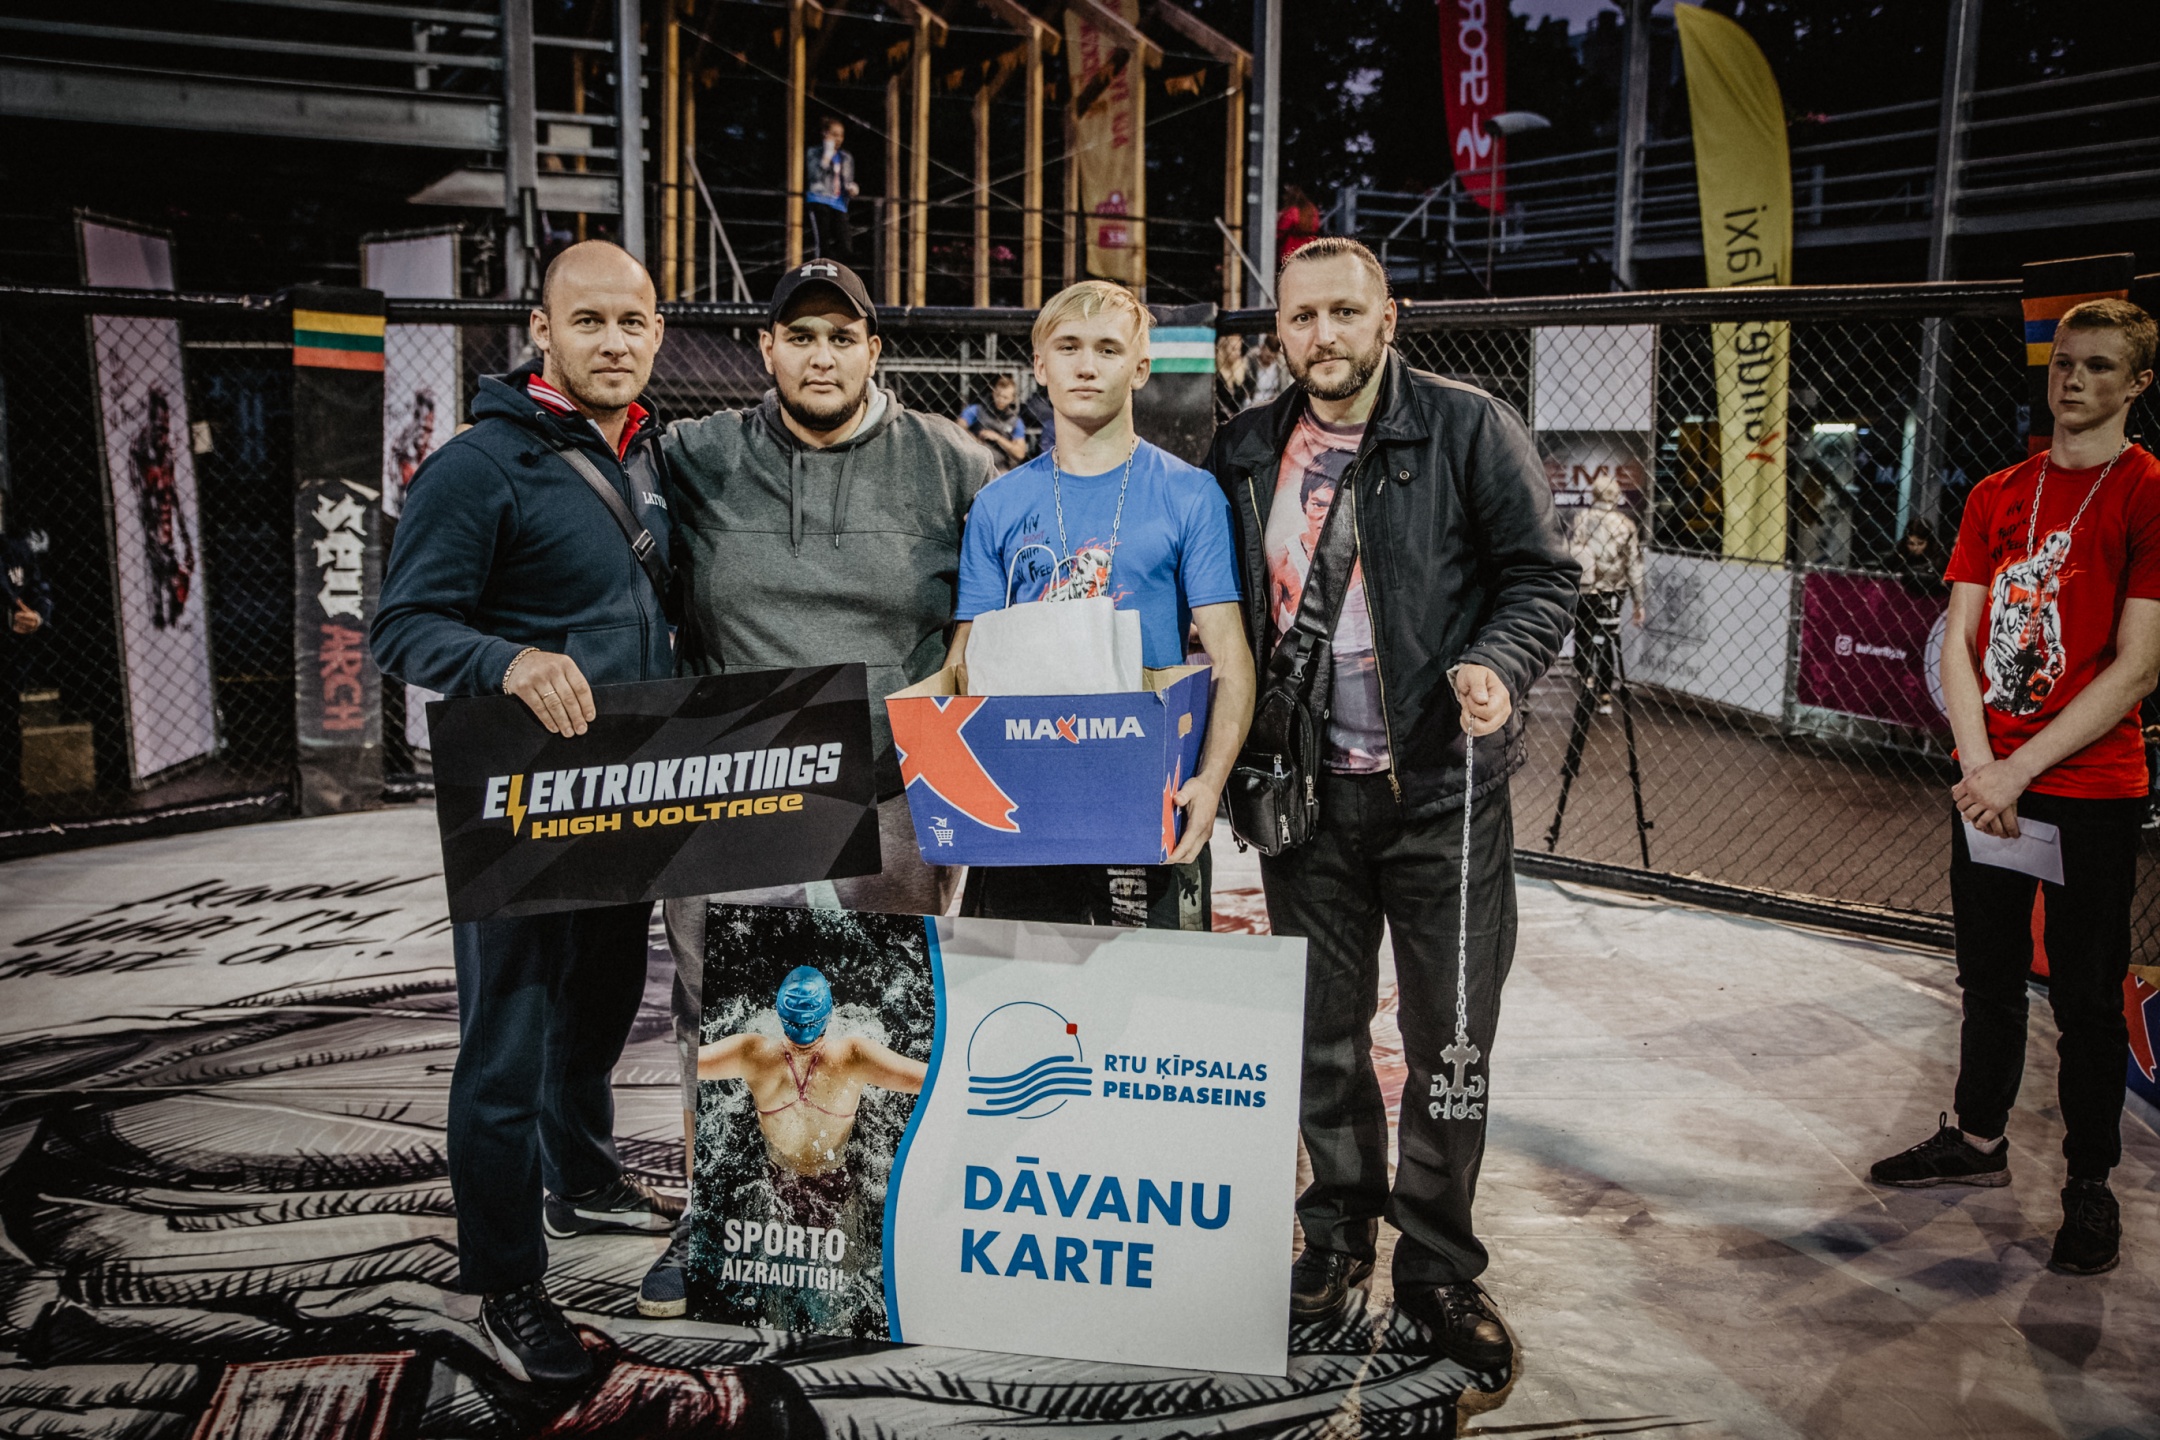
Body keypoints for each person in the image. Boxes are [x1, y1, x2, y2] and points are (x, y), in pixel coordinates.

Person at [1204, 237, 1575, 1372]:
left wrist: (1498, 665)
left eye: (1344, 312)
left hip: (1441, 798)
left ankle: (1437, 1264)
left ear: (1388, 319)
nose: (1322, 335)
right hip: (1305, 801)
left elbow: (1540, 577)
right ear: (1279, 330)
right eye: (1300, 317)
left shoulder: (1469, 428)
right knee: (1322, 1037)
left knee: (1448, 1041)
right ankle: (1334, 1236)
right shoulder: (1244, 449)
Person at [643, 257, 994, 1317]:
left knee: (883, 1020)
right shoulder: (694, 456)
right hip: (737, 780)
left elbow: (1011, 604)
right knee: (723, 1014)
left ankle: (884, 1229)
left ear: (874, 350)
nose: (822, 356)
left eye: (843, 337)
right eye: (800, 336)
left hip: (890, 788)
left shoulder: (955, 462)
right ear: (767, 349)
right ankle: (713, 1216)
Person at [371, 241, 684, 1388]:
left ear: (658, 332)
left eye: (632, 321)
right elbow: (404, 627)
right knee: (505, 1046)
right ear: (541, 330)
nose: (613, 341)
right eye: (587, 320)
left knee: (600, 1007)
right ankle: (507, 1280)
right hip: (518, 803)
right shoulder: (478, 465)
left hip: (625, 792)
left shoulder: (647, 452)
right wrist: (505, 661)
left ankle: (582, 1179)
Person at [1867, 298, 2160, 1278]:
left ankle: (2089, 1183)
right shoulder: (2000, 491)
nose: (2073, 379)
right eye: (2064, 361)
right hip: (1987, 780)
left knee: (2085, 999)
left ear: (2138, 383)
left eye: (2099, 366)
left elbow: (2138, 666)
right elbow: (1955, 640)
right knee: (1987, 978)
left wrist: (2015, 771)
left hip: (2088, 787)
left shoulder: (2147, 492)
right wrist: (1977, 762)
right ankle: (1977, 1136)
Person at [944, 280, 1256, 930]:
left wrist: (1211, 781)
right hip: (1025, 799)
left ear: (1139, 369)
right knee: (1021, 988)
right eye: (1069, 347)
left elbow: (1230, 658)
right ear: (1040, 366)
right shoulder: (998, 506)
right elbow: (964, 663)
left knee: (1148, 992)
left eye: (1108, 349)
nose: (1087, 365)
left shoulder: (1190, 495)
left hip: (1148, 800)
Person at [696, 965, 926, 1224]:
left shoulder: (752, 1054)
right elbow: (930, 1080)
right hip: (836, 1187)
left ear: (780, 1013)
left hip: (776, 1184)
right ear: (828, 1014)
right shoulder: (854, 1057)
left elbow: (686, 1061)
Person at [1567, 474, 1647, 714]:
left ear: (1594, 494)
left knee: (1583, 635)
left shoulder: (1582, 519)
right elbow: (1633, 565)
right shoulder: (1626, 524)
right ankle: (1604, 695)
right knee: (1607, 638)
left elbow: (1574, 553)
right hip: (1614, 589)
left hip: (1586, 587)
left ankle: (1586, 682)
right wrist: (1638, 601)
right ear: (1616, 496)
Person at [0, 522, 52, 824]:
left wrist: (38, 616)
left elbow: (39, 591)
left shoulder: (15, 549)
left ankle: (10, 807)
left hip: (7, 660)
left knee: (7, 727)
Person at [806, 118, 859, 264]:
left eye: (841, 135)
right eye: (834, 134)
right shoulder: (814, 152)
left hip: (839, 204)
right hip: (819, 200)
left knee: (845, 246)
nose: (838, 139)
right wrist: (827, 155)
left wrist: (852, 189)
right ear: (825, 133)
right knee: (823, 243)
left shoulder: (846, 157)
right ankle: (821, 270)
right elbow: (814, 177)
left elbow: (848, 180)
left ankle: (837, 270)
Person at [959, 374, 1029, 472]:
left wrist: (997, 438)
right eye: (998, 395)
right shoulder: (977, 410)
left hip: (1001, 467)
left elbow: (1020, 453)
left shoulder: (1015, 421)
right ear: (993, 392)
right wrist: (973, 439)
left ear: (1012, 399)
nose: (1000, 400)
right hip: (976, 462)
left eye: (1005, 397)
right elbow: (959, 426)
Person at [1277, 183, 1323, 264]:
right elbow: (1316, 226)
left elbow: (1280, 231)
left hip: (1289, 252)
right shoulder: (1312, 210)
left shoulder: (1292, 211)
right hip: (1309, 252)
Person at [1214, 333, 1251, 427]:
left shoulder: (1242, 371)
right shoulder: (1216, 375)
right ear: (1223, 349)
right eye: (1233, 349)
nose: (1238, 353)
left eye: (1239, 349)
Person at [1246, 333, 1289, 408]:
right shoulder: (1251, 362)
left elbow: (1283, 388)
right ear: (1262, 347)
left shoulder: (1280, 366)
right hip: (1253, 401)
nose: (1271, 357)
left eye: (1272, 357)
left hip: (1272, 402)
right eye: (1268, 357)